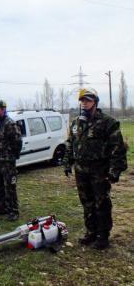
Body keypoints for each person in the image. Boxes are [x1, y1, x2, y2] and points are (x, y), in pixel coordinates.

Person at [63, 88, 127, 250]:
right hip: (81, 170)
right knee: (87, 202)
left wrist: (114, 171)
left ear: (95, 102)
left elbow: (117, 149)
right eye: (82, 101)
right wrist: (67, 163)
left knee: (101, 203)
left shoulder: (107, 122)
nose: (84, 103)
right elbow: (71, 144)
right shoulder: (77, 122)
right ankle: (91, 232)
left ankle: (103, 236)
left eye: (88, 100)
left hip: (99, 170)